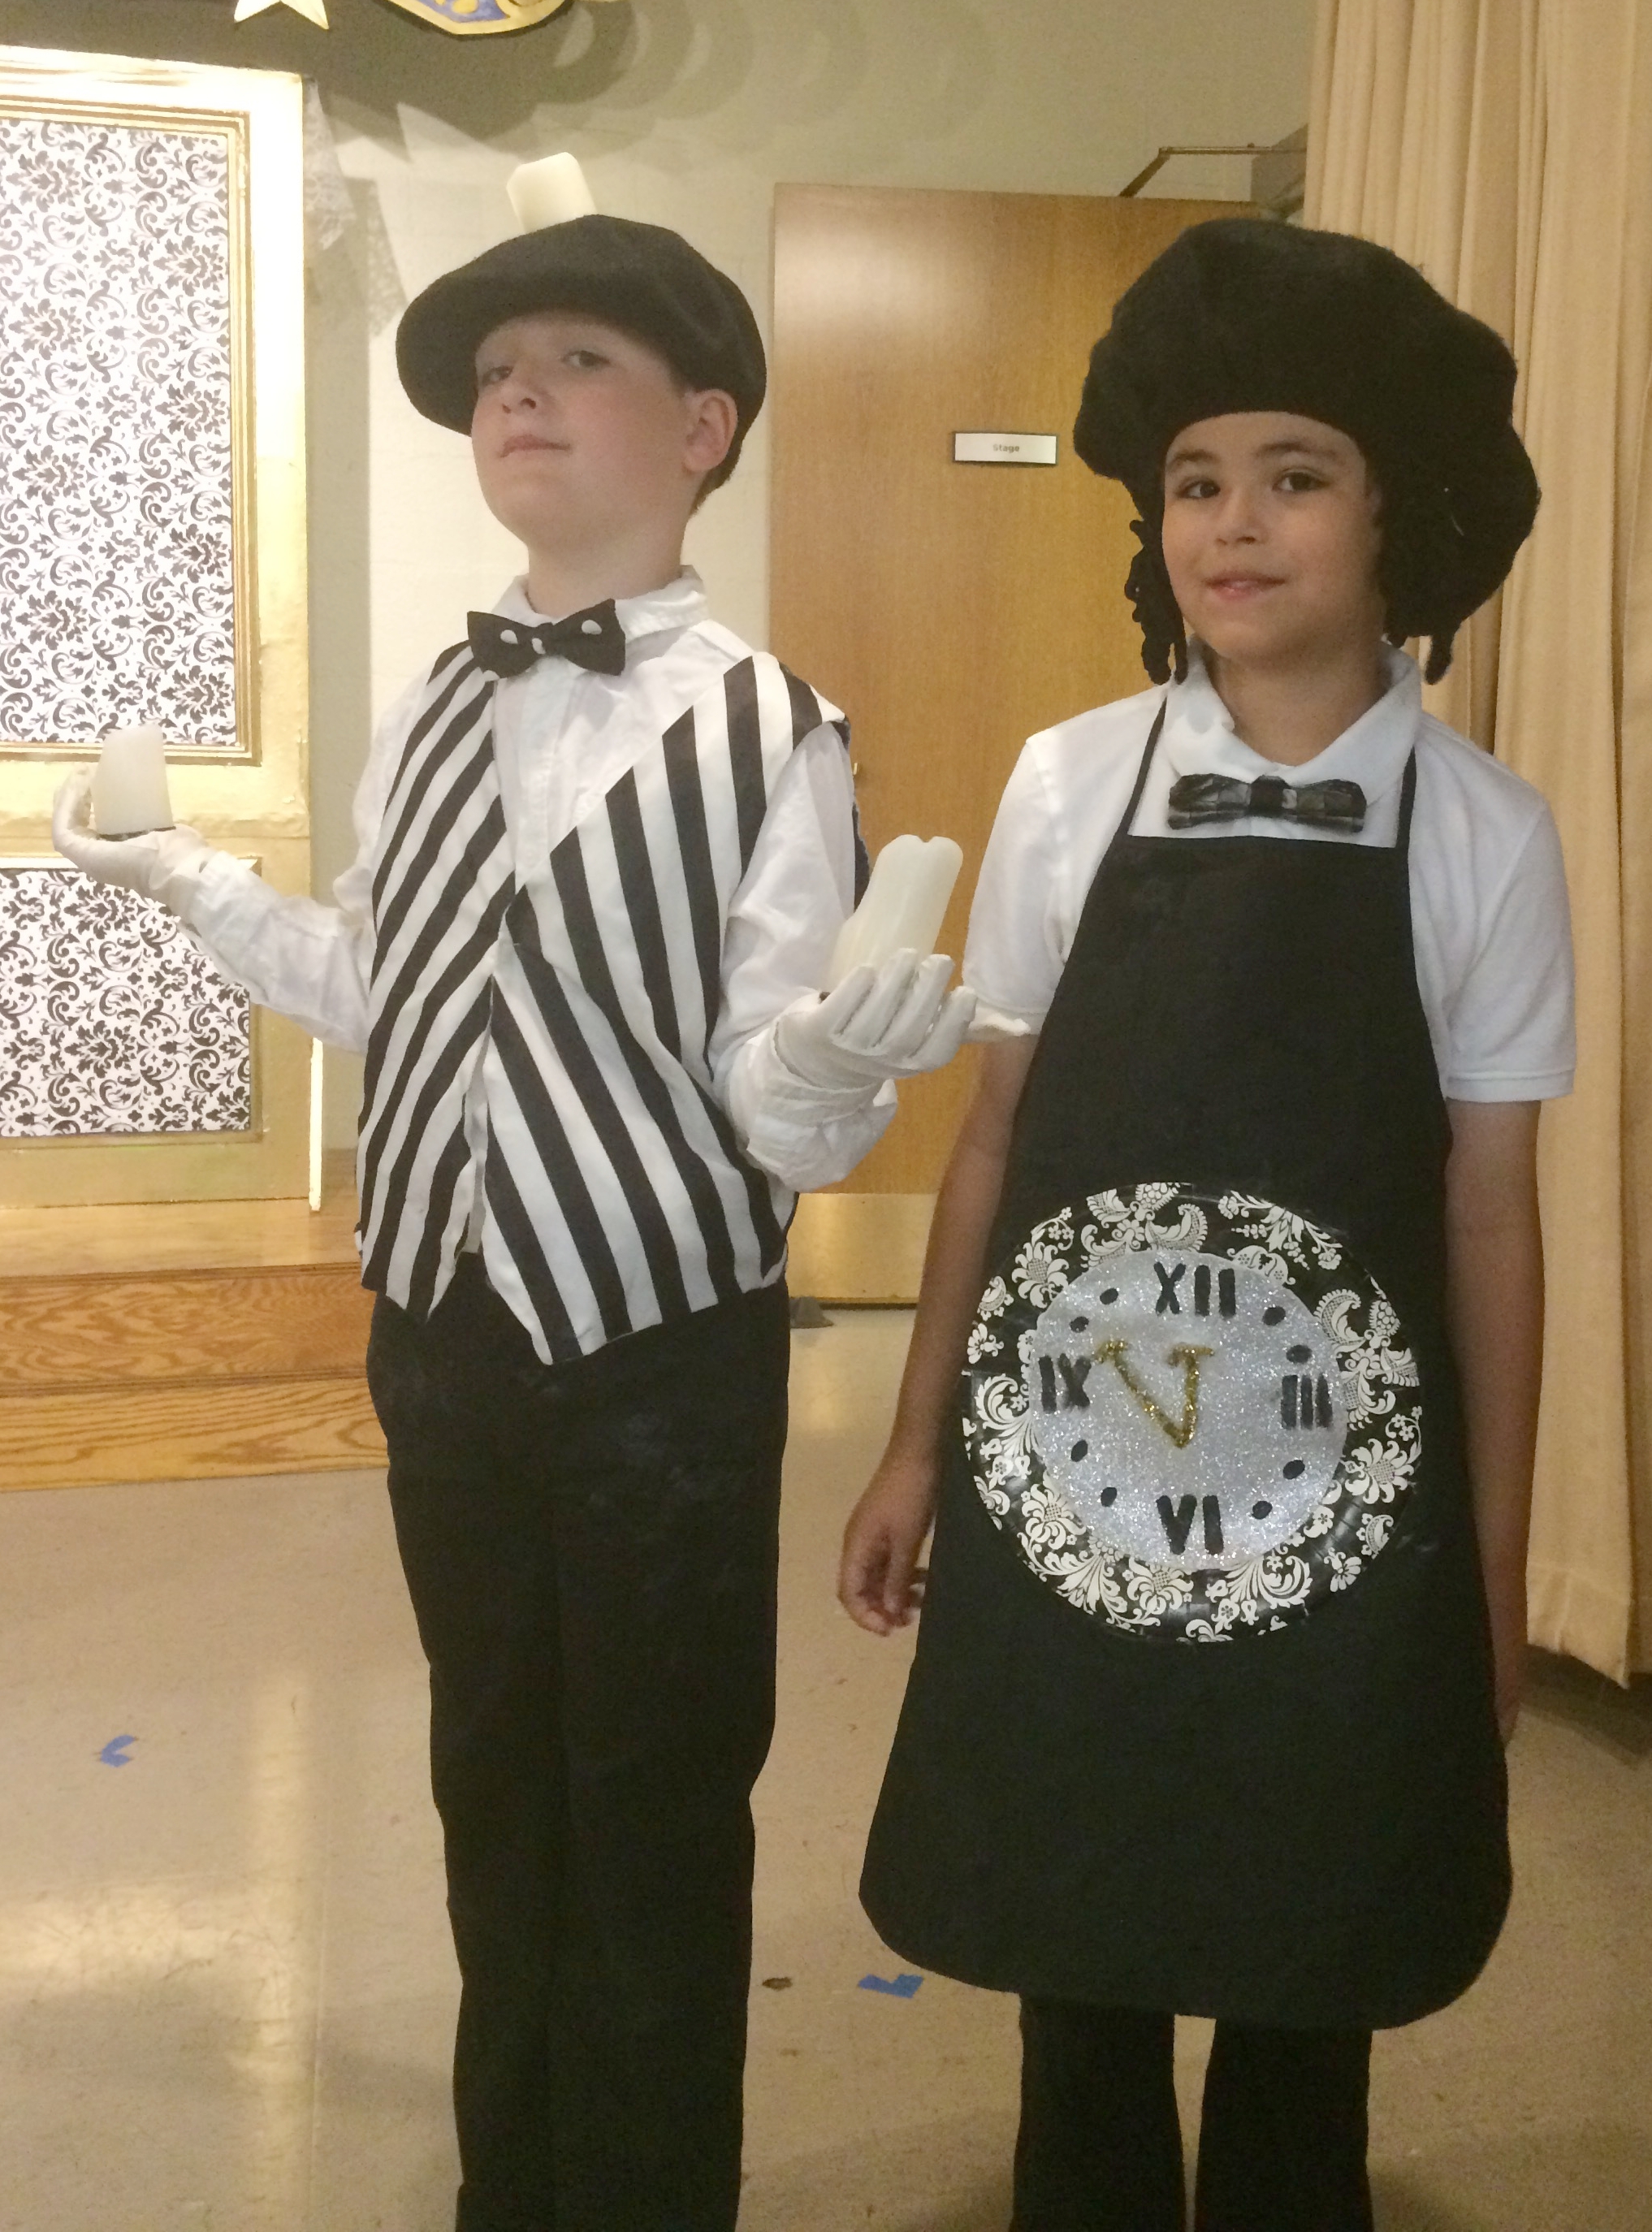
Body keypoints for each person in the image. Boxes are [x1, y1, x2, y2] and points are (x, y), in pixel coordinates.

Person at [54, 208, 970, 2232]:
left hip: (657, 1346)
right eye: (491, 376)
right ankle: (510, 2189)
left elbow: (766, 1099)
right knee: (488, 1770)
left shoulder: (774, 729)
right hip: (444, 1330)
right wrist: (189, 880)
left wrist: (838, 1065)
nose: (517, 396)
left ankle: (647, 2198)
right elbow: (388, 986)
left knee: (655, 1801)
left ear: (701, 428)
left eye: (574, 362)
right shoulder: (432, 707)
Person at [838, 218, 1572, 2231]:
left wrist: (1490, 1565)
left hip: (1344, 1497)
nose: (1229, 526)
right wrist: (911, 1443)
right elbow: (994, 1142)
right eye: (1191, 482)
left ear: (1397, 513)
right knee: (1071, 1925)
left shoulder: (1487, 835)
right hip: (1068, 1467)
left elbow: (1489, 1218)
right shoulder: (1066, 784)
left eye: (1292, 476)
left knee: (1305, 1923)